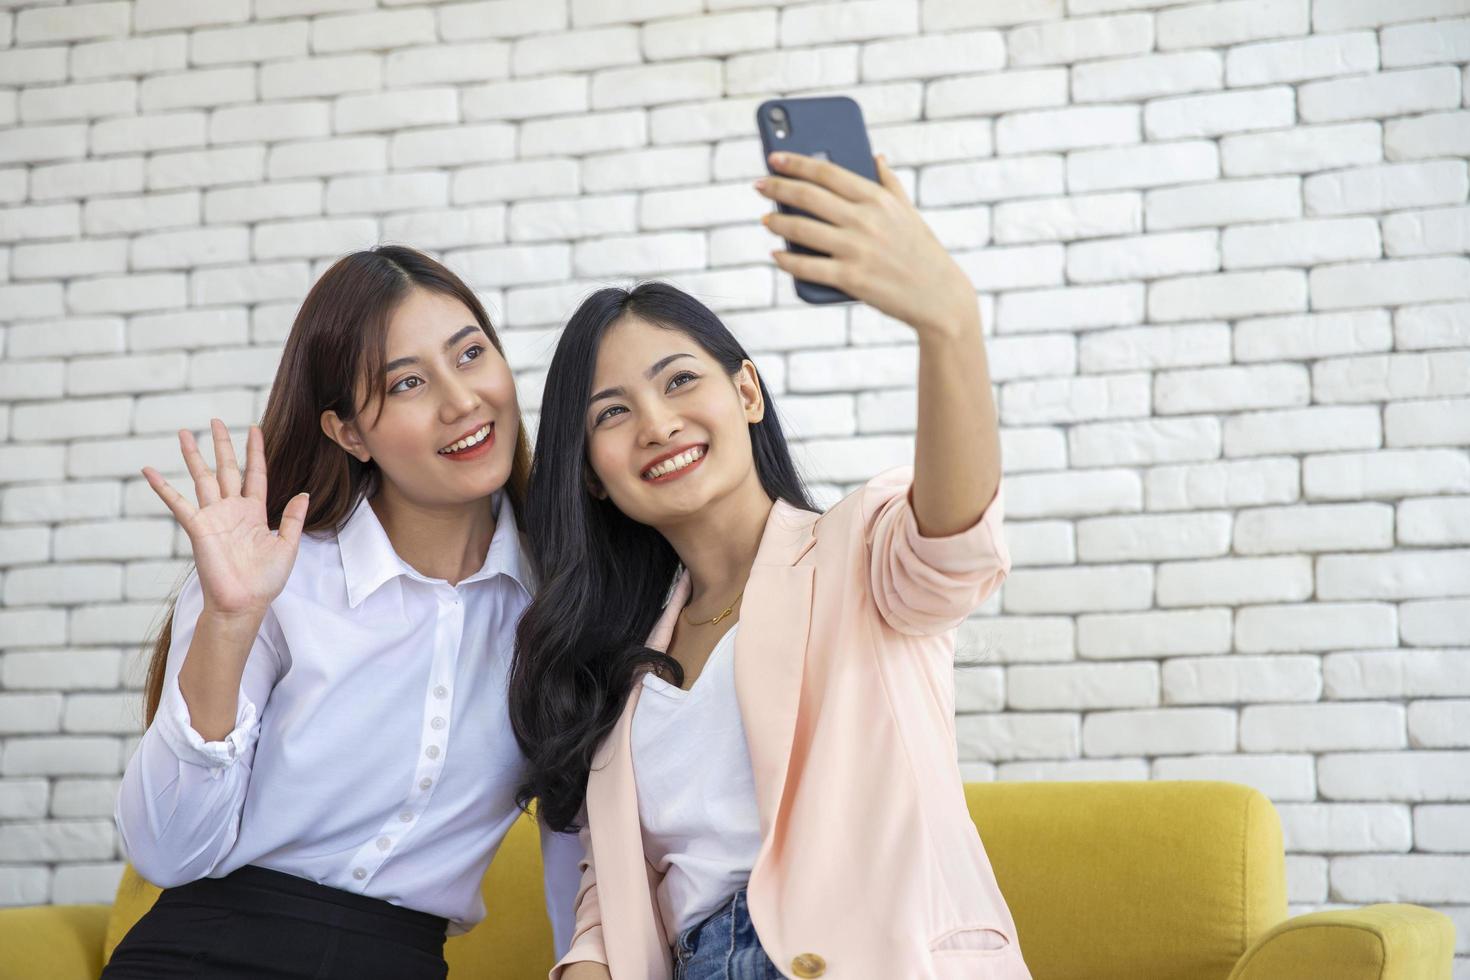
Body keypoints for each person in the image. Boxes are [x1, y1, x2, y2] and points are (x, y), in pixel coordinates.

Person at [509, 153, 1031, 980]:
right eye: (613, 413)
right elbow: (616, 894)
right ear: (589, 473)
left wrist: (949, 323)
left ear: (745, 393)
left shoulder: (860, 550)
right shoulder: (617, 667)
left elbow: (952, 550)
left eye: (680, 380)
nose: (657, 423)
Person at [106, 246, 579, 980]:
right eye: (409, 382)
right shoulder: (272, 573)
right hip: (203, 955)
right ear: (347, 431)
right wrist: (229, 623)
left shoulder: (565, 598)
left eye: (471, 354)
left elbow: (585, 837)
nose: (462, 401)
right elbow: (166, 850)